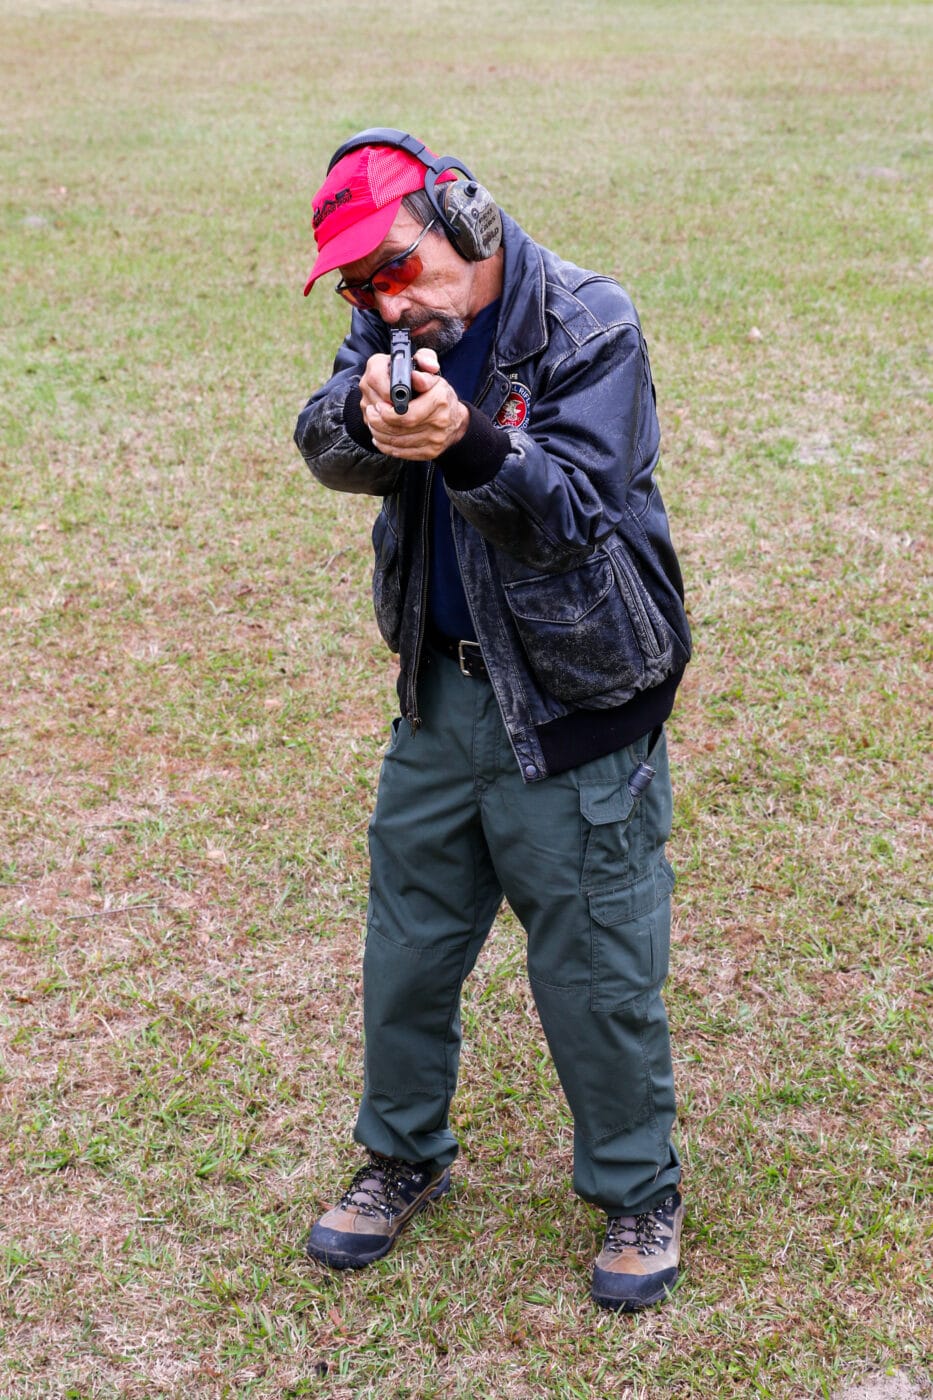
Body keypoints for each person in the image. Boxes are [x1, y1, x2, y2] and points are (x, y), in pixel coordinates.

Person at [293, 129, 692, 1313]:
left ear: (468, 221)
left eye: (400, 268)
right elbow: (321, 439)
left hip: (577, 707)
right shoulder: (393, 320)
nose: (386, 301)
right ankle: (401, 1155)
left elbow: (572, 509)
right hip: (441, 693)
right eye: (361, 284)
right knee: (407, 946)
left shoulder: (590, 323)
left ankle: (638, 1187)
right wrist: (369, 419)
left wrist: (468, 442)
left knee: (597, 967)